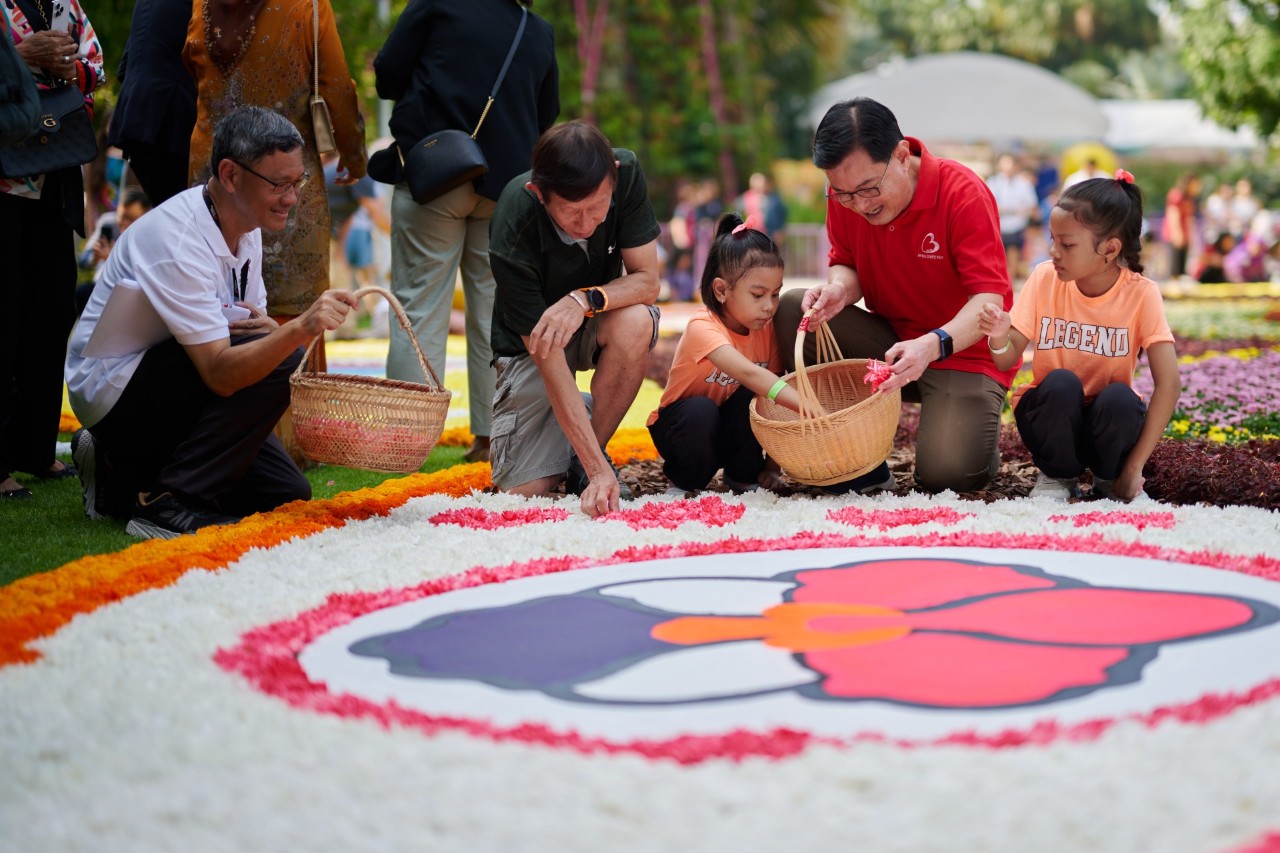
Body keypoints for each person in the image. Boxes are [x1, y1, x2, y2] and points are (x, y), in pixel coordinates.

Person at [66, 107, 358, 539]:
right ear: (230, 174)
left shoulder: (248, 225)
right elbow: (221, 374)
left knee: (284, 490)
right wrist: (297, 328)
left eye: (298, 182)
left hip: (170, 372)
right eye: (279, 184)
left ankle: (116, 470)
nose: (292, 198)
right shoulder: (178, 237)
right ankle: (168, 506)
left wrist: (272, 334)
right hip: (113, 387)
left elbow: (250, 328)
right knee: (282, 358)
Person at [775, 97, 1016, 495]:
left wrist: (932, 345)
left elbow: (989, 302)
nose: (860, 205)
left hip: (963, 354)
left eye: (870, 189)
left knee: (947, 476)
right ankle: (858, 465)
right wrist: (839, 290)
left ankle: (976, 438)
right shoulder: (845, 196)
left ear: (902, 154)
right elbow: (846, 264)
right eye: (843, 194)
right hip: (890, 347)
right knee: (791, 309)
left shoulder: (962, 192)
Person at [374, 0, 559, 465]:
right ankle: (490, 439)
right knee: (494, 314)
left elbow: (387, 76)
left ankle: (407, 441)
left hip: (436, 173)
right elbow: (546, 113)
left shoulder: (437, 5)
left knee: (417, 305)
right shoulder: (534, 29)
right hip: (506, 188)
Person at [488, 121, 661, 517]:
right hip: (532, 349)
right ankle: (584, 444)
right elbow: (548, 361)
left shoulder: (627, 172)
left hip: (593, 320)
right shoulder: (513, 219)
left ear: (613, 175)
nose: (586, 224)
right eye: (570, 212)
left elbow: (648, 282)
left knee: (637, 320)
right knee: (523, 491)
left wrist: (583, 299)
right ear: (539, 194)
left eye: (597, 207)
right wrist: (606, 473)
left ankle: (586, 459)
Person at [978, 170, 1180, 502]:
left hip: (1107, 426)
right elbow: (1006, 357)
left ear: (1110, 248)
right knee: (1060, 383)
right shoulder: (1044, 278)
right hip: (1051, 419)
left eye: (1067, 244)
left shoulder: (1141, 294)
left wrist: (1132, 469)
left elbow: (1169, 384)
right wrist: (1000, 336)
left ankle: (1107, 477)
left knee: (1121, 399)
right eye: (1053, 240)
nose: (1054, 252)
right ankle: (1057, 477)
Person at [1, 0, 103, 501]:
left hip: (56, 172)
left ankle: (36, 449)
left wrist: (66, 67)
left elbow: (95, 68)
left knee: (51, 309)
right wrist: (20, 56)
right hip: (2, 179)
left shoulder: (66, 5)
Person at [648, 213, 805, 496]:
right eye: (758, 295)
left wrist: (772, 466)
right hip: (682, 428)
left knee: (755, 396)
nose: (769, 306)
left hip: (726, 427)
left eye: (775, 294)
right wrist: (809, 408)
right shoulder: (703, 327)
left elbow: (774, 395)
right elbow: (748, 373)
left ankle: (743, 474)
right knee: (703, 409)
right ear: (721, 290)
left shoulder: (766, 330)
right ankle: (685, 480)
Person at [106, 0, 198, 206]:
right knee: (186, 219)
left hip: (137, 115)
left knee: (169, 213)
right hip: (173, 121)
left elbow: (124, 68)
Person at [76, 187, 152, 312]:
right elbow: (83, 260)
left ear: (145, 216)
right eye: (122, 216)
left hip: (133, 290)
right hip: (103, 285)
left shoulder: (148, 233)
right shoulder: (108, 224)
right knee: (82, 293)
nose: (125, 223)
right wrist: (94, 258)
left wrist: (112, 259)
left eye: (132, 219)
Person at [986, 154, 1039, 282]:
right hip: (998, 227)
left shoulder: (1023, 184)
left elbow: (1031, 206)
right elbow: (989, 205)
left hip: (1017, 227)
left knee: (1013, 257)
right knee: (998, 259)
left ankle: (1010, 282)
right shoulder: (993, 183)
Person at [1162, 172, 1201, 280]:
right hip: (1174, 236)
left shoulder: (1189, 199)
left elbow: (1189, 219)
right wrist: (1177, 235)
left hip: (1184, 237)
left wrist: (1189, 237)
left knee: (1182, 269)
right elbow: (1173, 215)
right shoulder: (1176, 195)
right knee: (1174, 268)